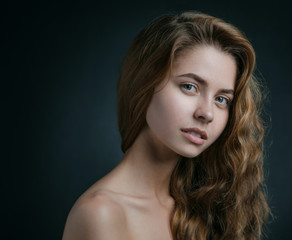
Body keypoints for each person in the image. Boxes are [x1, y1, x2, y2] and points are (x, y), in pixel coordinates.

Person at [62, 11, 269, 240]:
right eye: (190, 86)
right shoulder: (101, 214)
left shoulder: (206, 206)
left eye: (222, 99)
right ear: (144, 83)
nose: (207, 113)